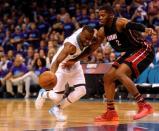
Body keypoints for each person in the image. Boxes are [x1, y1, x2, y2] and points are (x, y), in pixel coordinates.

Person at [64, 5, 156, 122]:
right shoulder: (103, 31)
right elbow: (92, 48)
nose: (100, 18)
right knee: (107, 78)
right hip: (129, 52)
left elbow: (134, 25)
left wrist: (145, 29)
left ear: (111, 15)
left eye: (103, 15)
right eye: (99, 15)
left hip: (143, 49)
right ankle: (110, 112)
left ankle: (144, 105)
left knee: (120, 73)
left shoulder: (119, 22)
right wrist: (75, 59)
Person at [35, 26, 95, 121]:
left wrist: (74, 60)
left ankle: (57, 109)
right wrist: (51, 76)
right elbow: (56, 62)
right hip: (61, 65)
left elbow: (91, 48)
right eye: (86, 38)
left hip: (74, 63)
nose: (88, 41)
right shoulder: (71, 45)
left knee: (82, 91)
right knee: (57, 98)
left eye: (89, 39)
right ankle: (43, 94)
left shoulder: (90, 34)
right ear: (81, 34)